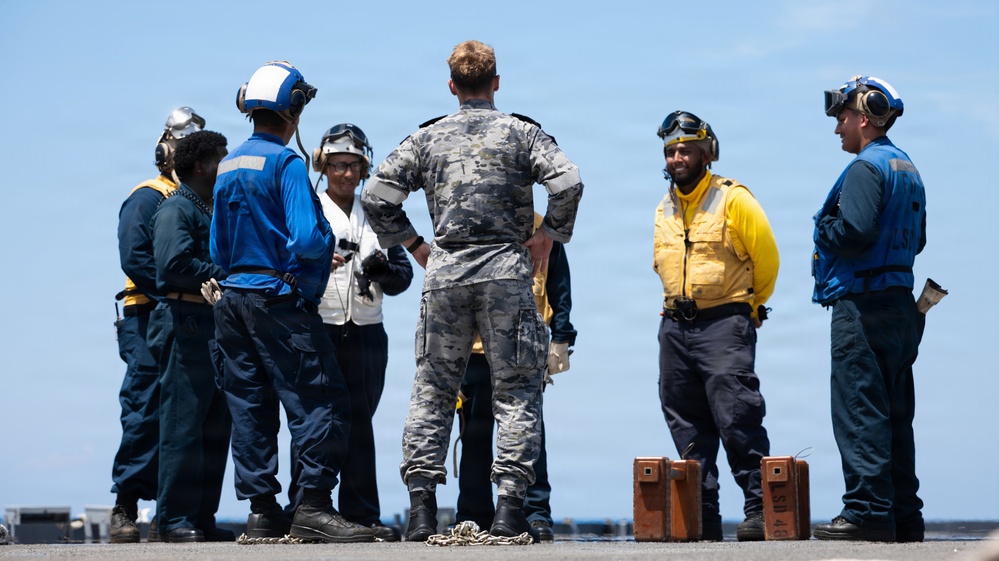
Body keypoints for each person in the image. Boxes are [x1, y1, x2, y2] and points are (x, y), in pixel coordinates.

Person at [361, 39, 583, 543]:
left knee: (433, 390)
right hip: (507, 271)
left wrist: (416, 245)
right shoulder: (522, 134)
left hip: (446, 274)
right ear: (496, 83)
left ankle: (420, 512)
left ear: (452, 86)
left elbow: (376, 196)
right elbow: (568, 182)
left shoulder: (427, 139)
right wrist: (548, 234)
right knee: (517, 392)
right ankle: (509, 511)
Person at [209, 61, 374, 543]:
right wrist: (324, 245)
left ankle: (263, 512)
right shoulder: (286, 164)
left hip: (232, 303)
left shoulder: (227, 166)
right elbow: (305, 239)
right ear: (294, 107)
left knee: (250, 404)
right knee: (323, 400)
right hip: (276, 302)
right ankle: (315, 506)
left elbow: (217, 250)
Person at [652, 111, 779, 542]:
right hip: (675, 327)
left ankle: (760, 509)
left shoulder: (734, 199)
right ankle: (702, 514)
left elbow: (767, 261)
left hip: (725, 322)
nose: (677, 158)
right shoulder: (665, 205)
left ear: (708, 153)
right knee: (685, 423)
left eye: (685, 149)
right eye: (671, 151)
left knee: (737, 417)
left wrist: (751, 308)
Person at [283, 124, 413, 541]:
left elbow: (403, 277)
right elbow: (286, 265)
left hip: (366, 330)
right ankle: (303, 507)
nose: (345, 173)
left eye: (353, 166)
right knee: (313, 420)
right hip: (317, 326)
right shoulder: (308, 208)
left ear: (363, 168)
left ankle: (361, 512)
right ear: (323, 166)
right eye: (337, 165)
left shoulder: (375, 213)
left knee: (360, 422)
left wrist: (383, 270)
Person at [812, 75, 926, 543]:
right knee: (896, 413)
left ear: (864, 117)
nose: (838, 127)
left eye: (842, 117)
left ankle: (867, 511)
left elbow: (853, 231)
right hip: (900, 305)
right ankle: (904, 516)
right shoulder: (907, 167)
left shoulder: (865, 167)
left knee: (860, 409)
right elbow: (918, 240)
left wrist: (823, 229)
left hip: (863, 305)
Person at [110, 106, 204, 543]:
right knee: (144, 409)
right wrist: (174, 289)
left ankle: (184, 511)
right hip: (147, 314)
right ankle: (125, 507)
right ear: (165, 150)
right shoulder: (148, 196)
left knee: (187, 417)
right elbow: (136, 258)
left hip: (187, 316)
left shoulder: (201, 199)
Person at [454, 214, 575, 542]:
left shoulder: (543, 228)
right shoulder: (468, 222)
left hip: (524, 349)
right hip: (475, 349)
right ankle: (473, 513)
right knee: (474, 435)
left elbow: (558, 285)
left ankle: (534, 513)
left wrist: (563, 336)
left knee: (529, 435)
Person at [147, 130, 232, 542]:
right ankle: (174, 519)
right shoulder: (176, 210)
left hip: (212, 326)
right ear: (200, 166)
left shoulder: (210, 208)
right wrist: (226, 270)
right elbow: (172, 266)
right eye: (221, 159)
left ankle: (201, 516)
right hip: (185, 324)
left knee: (216, 426)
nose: (227, 165)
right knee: (183, 425)